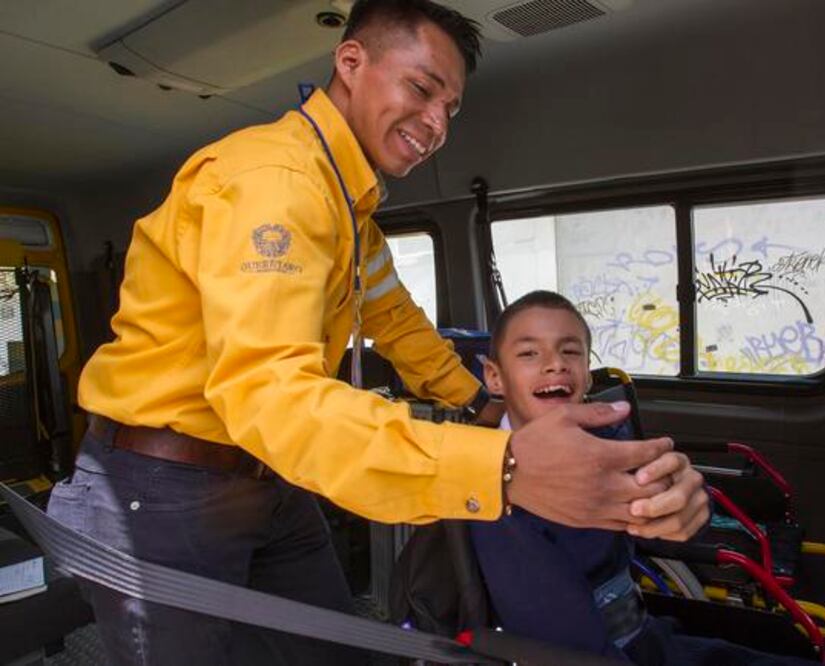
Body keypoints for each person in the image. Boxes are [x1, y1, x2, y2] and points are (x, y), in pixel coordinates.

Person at [46, 1, 708, 664]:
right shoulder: (274, 185)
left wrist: (489, 404)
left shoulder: (348, 210)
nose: (435, 124)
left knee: (338, 650)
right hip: (161, 486)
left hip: (268, 480)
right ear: (351, 62)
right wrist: (500, 467)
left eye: (449, 108)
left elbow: (398, 323)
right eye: (421, 89)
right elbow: (268, 396)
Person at [469, 290, 812, 665]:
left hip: (649, 635)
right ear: (495, 378)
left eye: (571, 351)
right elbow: (570, 644)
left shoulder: (608, 438)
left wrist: (688, 504)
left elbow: (675, 516)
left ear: (586, 372)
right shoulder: (491, 489)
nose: (555, 364)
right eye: (529, 353)